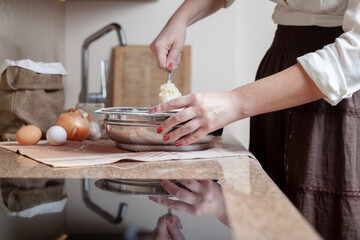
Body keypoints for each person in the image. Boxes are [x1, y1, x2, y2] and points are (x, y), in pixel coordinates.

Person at [149, 0, 360, 239]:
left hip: (335, 90)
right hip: (279, 67)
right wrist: (181, 19)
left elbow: (355, 56)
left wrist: (234, 103)